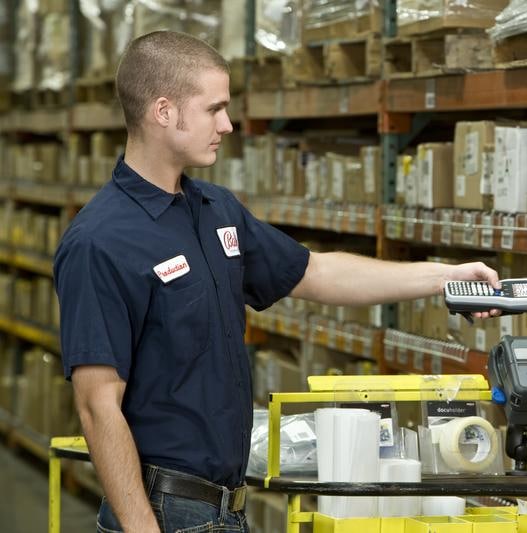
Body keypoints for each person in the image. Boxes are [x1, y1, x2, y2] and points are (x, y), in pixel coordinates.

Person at [53, 30, 500, 533]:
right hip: (164, 511)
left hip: (226, 508)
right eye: (213, 109)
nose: (226, 124)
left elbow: (316, 272)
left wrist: (446, 277)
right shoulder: (99, 241)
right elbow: (96, 406)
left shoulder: (215, 210)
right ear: (163, 111)